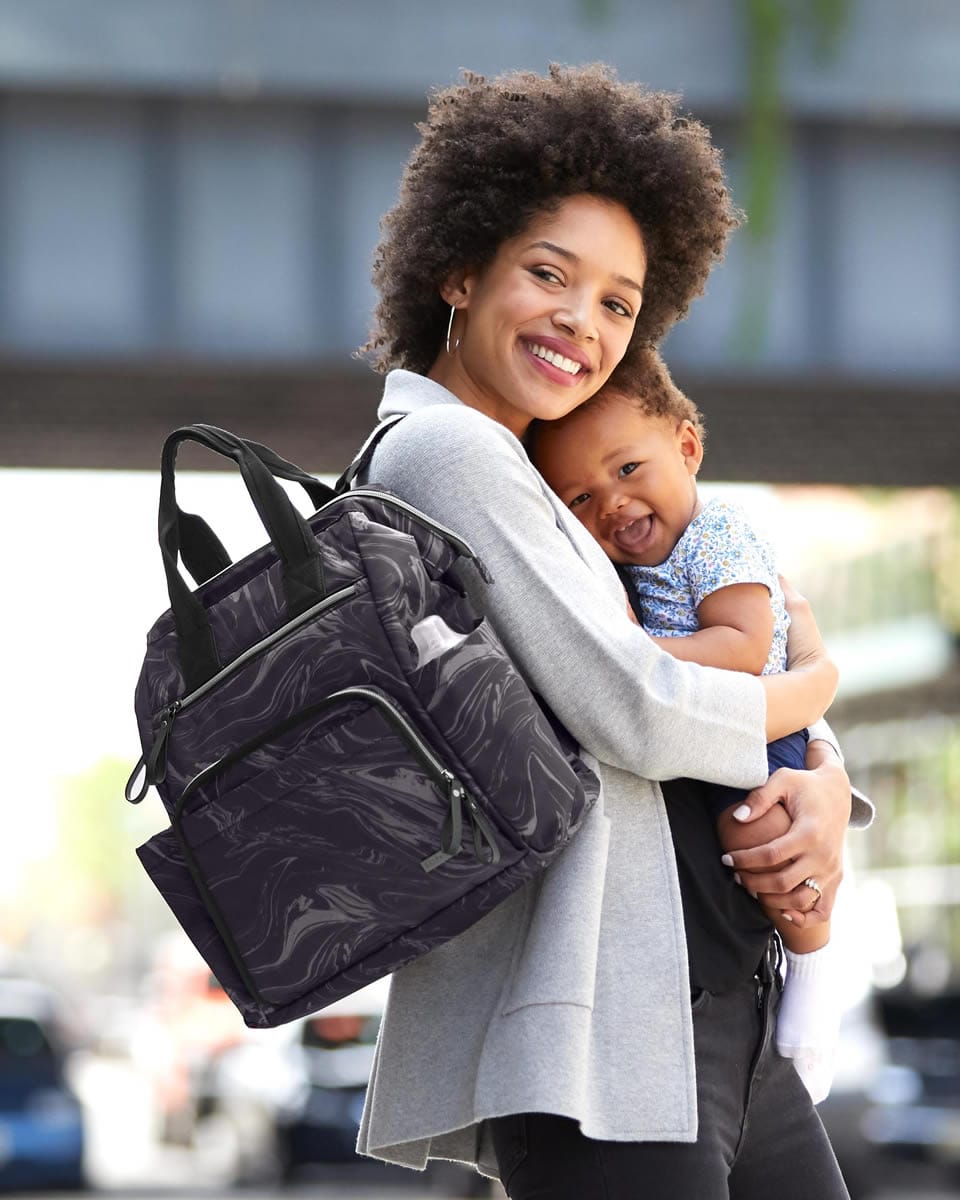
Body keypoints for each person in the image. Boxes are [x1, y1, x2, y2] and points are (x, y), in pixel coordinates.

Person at [353, 64, 872, 1200]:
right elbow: (634, 704)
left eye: (619, 303)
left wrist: (823, 775)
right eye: (549, 274)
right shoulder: (448, 454)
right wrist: (817, 692)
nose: (579, 324)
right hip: (612, 1030)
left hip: (708, 1001)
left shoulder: (542, 466)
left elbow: (694, 647)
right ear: (460, 265)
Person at [530, 347, 844, 1105]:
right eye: (578, 498)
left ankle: (815, 962)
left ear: (688, 448)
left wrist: (630, 655)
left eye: (628, 470)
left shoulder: (720, 537)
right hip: (707, 732)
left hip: (758, 730)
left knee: (756, 834)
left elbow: (739, 648)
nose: (611, 502)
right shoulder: (632, 570)